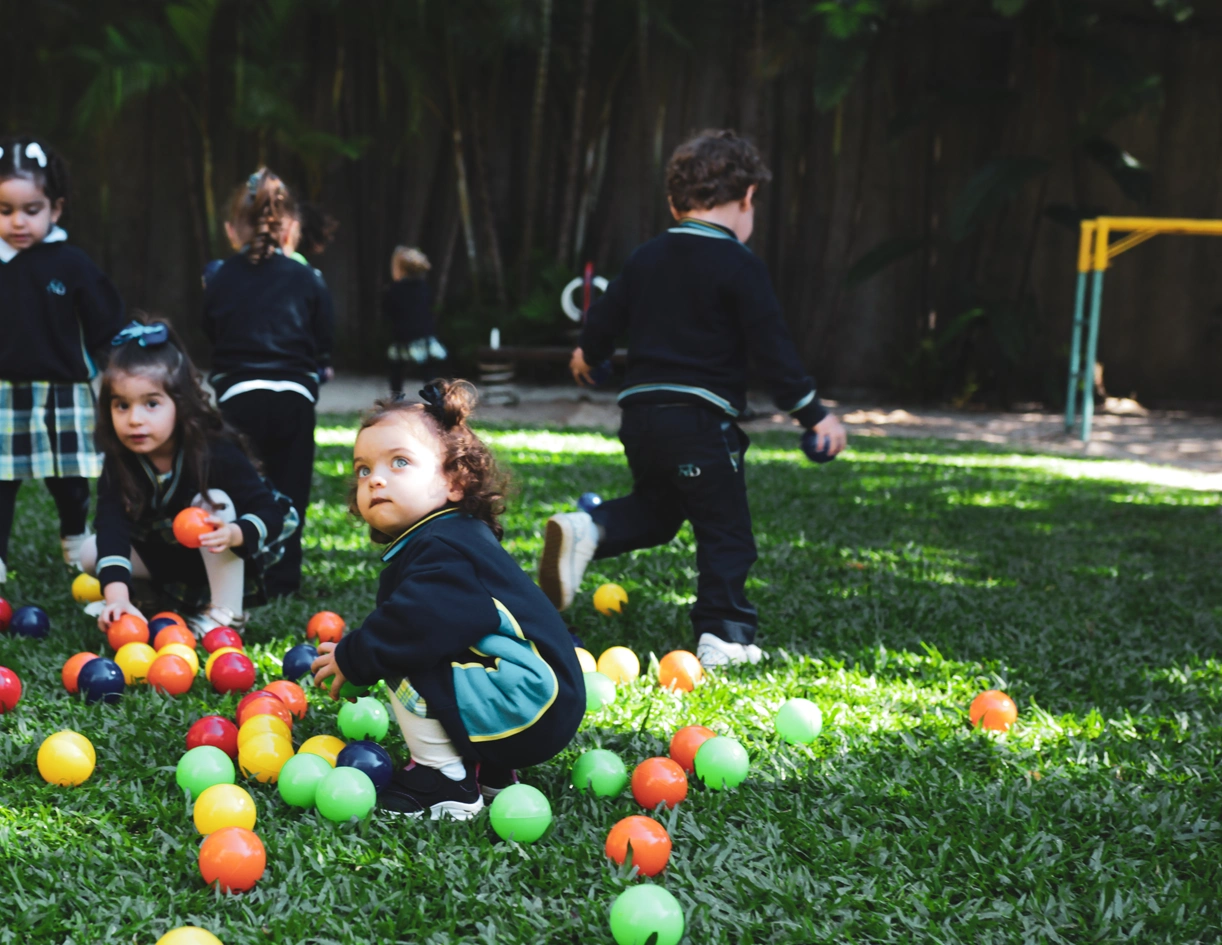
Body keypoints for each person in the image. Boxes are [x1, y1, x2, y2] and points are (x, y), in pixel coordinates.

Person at [539, 129, 848, 669]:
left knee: (659, 513)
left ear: (673, 201)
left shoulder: (644, 257)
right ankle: (725, 637)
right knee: (725, 530)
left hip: (641, 416)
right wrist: (815, 415)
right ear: (748, 197)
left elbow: (600, 326)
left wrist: (586, 358)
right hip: (701, 421)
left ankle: (590, 528)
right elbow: (774, 351)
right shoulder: (740, 265)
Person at [310, 381, 584, 819]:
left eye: (400, 461)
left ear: (455, 482)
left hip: (532, 699)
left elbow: (413, 626)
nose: (375, 478)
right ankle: (491, 772)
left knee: (402, 653)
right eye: (363, 469)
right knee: (434, 649)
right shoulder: (448, 537)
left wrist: (354, 655)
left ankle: (444, 782)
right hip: (539, 698)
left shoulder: (443, 547)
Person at [79, 320, 298, 636]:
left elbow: (270, 513)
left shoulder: (214, 451)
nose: (134, 419)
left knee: (215, 502)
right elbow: (112, 526)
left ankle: (226, 613)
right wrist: (117, 597)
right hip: (165, 555)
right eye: (121, 405)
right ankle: (147, 599)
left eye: (151, 403)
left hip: (222, 553)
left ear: (180, 404)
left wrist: (235, 533)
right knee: (91, 550)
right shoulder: (120, 460)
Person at [0, 135, 126, 584]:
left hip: (63, 389)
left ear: (54, 208)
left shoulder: (71, 263)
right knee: (1, 483)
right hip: (3, 392)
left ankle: (76, 539)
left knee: (69, 477)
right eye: (5, 210)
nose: (18, 221)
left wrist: (117, 361)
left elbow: (105, 320)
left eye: (30, 210)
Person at [203, 168, 334, 598]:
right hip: (293, 399)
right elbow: (325, 334)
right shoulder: (307, 277)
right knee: (291, 490)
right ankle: (283, 582)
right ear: (291, 226)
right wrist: (320, 364)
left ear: (231, 230)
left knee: (242, 488)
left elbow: (211, 330)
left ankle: (242, 573)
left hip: (239, 398)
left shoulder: (219, 276)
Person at [383, 246, 446, 394]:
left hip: (403, 336)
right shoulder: (423, 287)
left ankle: (396, 399)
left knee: (396, 372)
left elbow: (388, 311)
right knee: (429, 372)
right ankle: (437, 401)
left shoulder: (395, 289)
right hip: (424, 335)